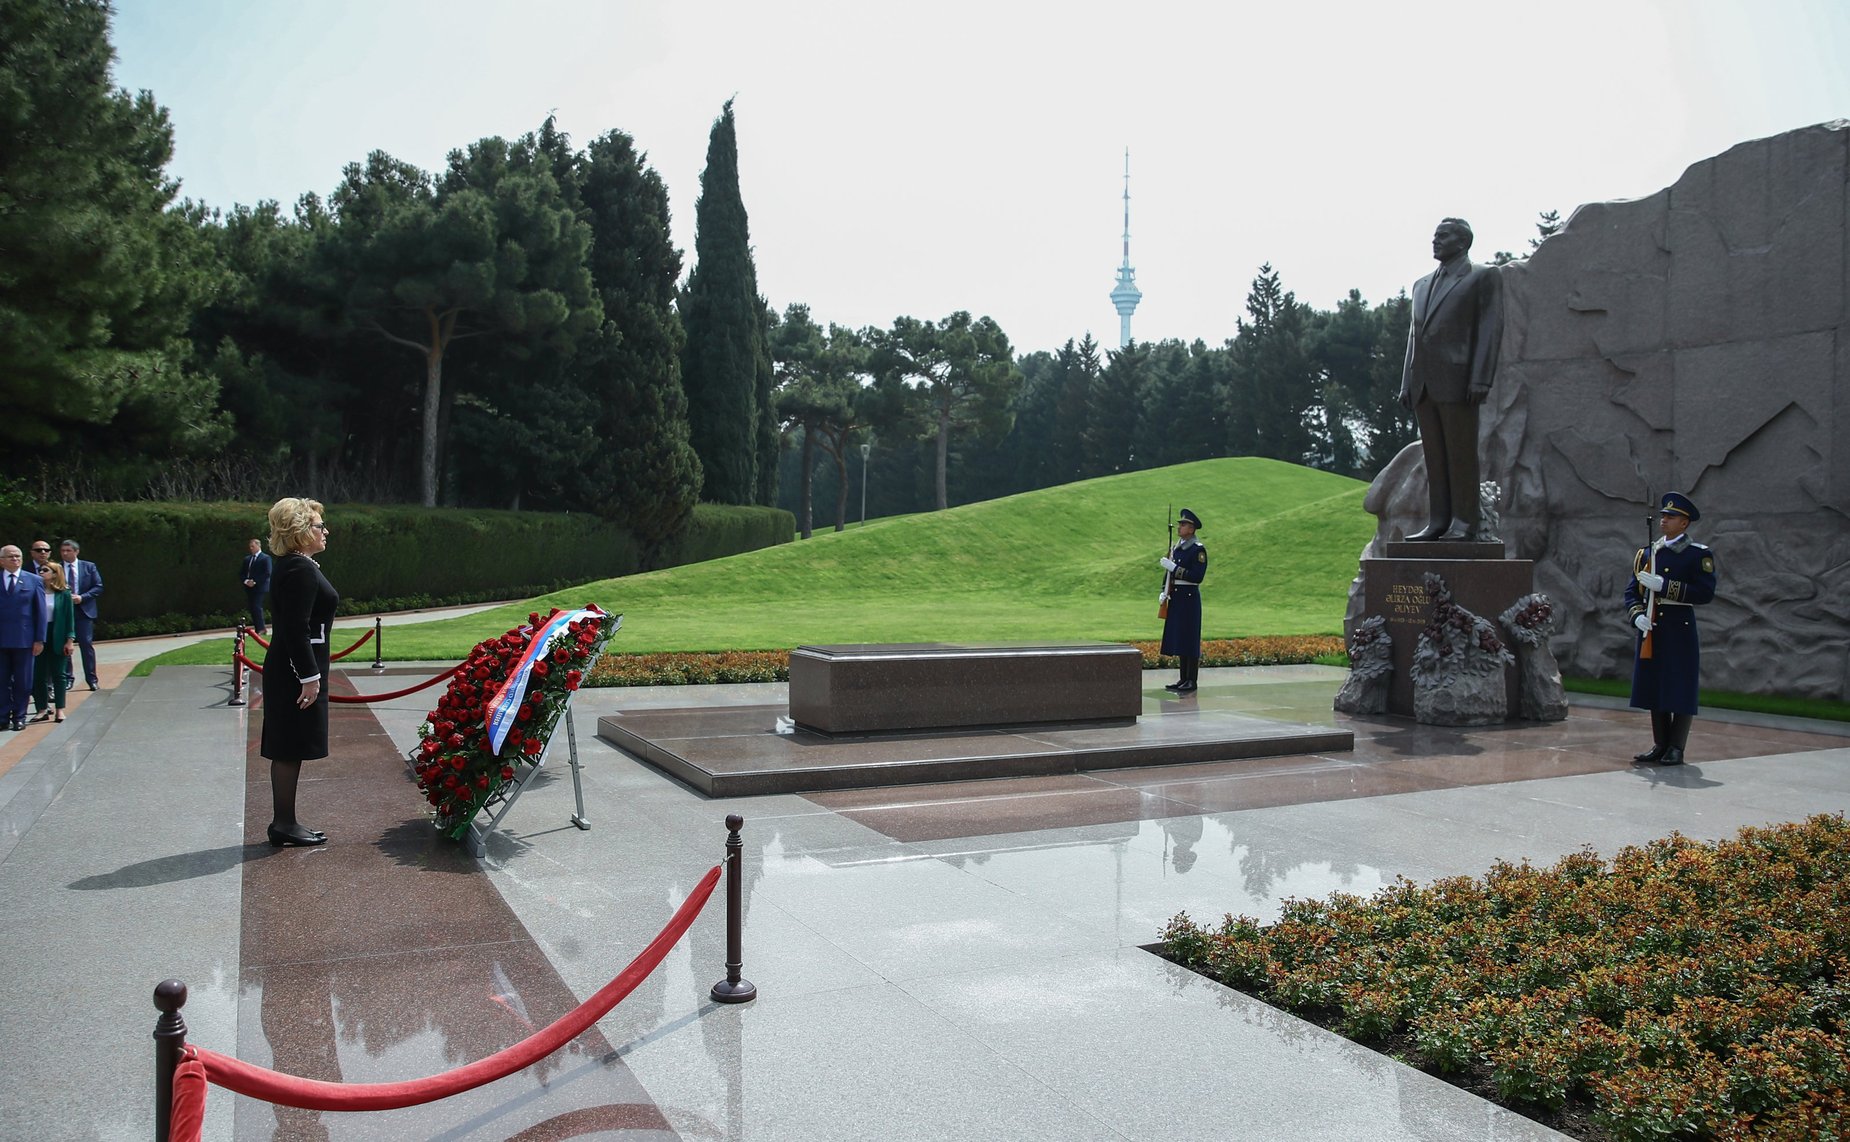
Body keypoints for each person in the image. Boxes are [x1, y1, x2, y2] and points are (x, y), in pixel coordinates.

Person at [1399, 217, 1503, 541]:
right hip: (1424, 384)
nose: (1435, 241)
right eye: (1434, 236)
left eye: (1442, 236)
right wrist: (1406, 382)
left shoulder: (1483, 276)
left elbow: (1490, 329)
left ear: (1463, 241)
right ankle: (1438, 521)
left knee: (1461, 455)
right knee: (1435, 457)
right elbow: (1414, 337)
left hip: (1458, 381)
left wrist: (1481, 378)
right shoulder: (1420, 284)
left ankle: (1465, 523)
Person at [261, 498, 339, 847]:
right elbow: (295, 628)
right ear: (302, 531)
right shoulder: (299, 569)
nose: (326, 531)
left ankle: (285, 821)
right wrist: (309, 676)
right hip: (294, 671)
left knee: (288, 746)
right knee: (289, 746)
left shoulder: (297, 564)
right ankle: (284, 823)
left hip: (294, 667)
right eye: (320, 525)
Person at [1624, 492, 1717, 766]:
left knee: (1680, 687)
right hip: (1652, 627)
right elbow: (1632, 592)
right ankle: (1660, 743)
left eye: (1671, 517)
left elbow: (1705, 592)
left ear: (1684, 523)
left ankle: (1676, 746)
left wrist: (1664, 586)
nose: (1664, 520)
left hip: (1679, 629)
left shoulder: (1696, 555)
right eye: (1663, 516)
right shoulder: (1647, 553)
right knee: (1655, 686)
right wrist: (1637, 616)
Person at [1158, 508, 1209, 693]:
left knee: (1189, 639)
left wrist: (1174, 567)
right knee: (1180, 638)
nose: (1180, 527)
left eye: (1184, 525)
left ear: (1192, 529)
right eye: (1180, 524)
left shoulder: (1197, 550)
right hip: (1177, 597)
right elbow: (1168, 573)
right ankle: (1182, 679)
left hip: (1189, 598)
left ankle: (1191, 680)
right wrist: (1163, 590)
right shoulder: (1177, 548)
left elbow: (1197, 576)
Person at [0, 546, 48, 732]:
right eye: (10, 557)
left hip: (24, 640)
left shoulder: (34, 580)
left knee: (23, 681)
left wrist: (39, 639)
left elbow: (40, 612)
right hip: (2, 641)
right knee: (2, 681)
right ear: (2, 560)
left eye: (18, 556)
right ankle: (3, 716)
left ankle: (19, 716)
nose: (15, 559)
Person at [30, 563, 75, 724]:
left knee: (59, 675)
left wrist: (70, 640)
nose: (41, 573)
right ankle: (41, 709)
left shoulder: (64, 593)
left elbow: (69, 618)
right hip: (39, 636)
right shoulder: (35, 591)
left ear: (55, 574)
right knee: (38, 675)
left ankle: (60, 709)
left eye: (45, 570)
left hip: (57, 636)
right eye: (39, 570)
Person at [59, 539, 103, 691]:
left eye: (68, 550)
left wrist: (82, 597)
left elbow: (98, 587)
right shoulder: (57, 568)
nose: (65, 553)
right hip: (63, 612)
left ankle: (91, 679)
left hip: (83, 610)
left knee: (86, 644)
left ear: (76, 551)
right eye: (63, 551)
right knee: (65, 646)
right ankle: (68, 678)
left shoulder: (88, 567)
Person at [241, 538, 273, 635]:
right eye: (250, 547)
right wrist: (246, 581)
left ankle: (261, 628)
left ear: (258, 546)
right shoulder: (247, 559)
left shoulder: (265, 558)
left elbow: (267, 573)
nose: (251, 548)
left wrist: (255, 581)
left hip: (260, 587)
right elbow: (242, 573)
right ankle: (258, 628)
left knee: (256, 606)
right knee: (252, 607)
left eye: (253, 546)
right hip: (249, 587)